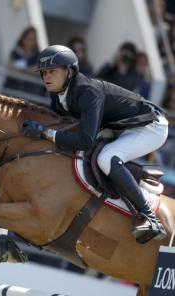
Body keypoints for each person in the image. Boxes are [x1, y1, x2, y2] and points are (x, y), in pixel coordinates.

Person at [21, 45, 169, 243]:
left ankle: (149, 217)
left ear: (69, 71)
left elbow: (84, 140)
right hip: (119, 126)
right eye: (44, 73)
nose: (46, 77)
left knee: (107, 158)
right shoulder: (58, 95)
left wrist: (45, 133)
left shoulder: (88, 92)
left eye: (52, 71)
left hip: (150, 127)